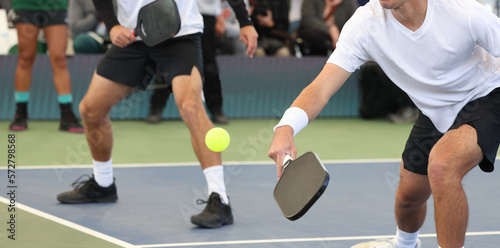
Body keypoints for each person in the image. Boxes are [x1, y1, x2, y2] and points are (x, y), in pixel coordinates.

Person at [268, 0, 500, 247]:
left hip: (485, 94)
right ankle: (404, 244)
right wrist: (286, 127)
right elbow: (321, 87)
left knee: (442, 166)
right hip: (435, 110)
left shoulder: (463, 12)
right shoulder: (365, 24)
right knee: (408, 198)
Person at [56, 0, 257, 229]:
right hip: (134, 37)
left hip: (180, 36)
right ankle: (103, 185)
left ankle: (219, 200)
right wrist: (112, 26)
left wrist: (245, 21)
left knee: (191, 107)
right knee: (91, 110)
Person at [146, 0, 258, 124]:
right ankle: (156, 107)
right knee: (168, 60)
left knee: (209, 63)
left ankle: (216, 109)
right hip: (174, 13)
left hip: (206, 16)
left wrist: (245, 23)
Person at [8, 0, 84, 132]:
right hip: (26, 4)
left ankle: (66, 116)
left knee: (59, 58)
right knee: (25, 58)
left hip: (55, 4)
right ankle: (20, 114)